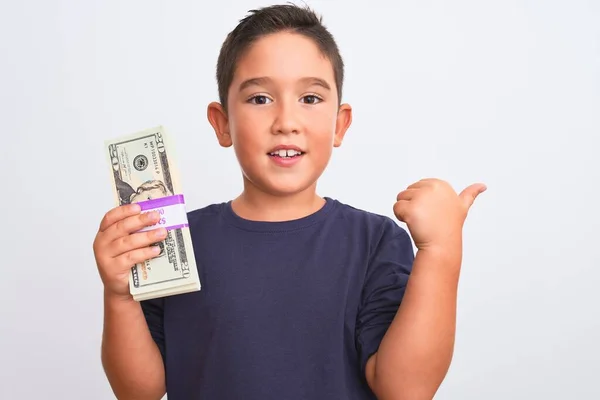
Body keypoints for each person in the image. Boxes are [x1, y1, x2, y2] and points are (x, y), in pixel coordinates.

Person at [92, 4, 486, 400]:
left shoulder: (376, 241)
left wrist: (440, 253)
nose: (286, 121)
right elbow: (138, 391)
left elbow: (407, 390)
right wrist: (120, 296)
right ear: (222, 122)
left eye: (310, 98)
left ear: (340, 123)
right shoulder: (174, 238)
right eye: (260, 98)